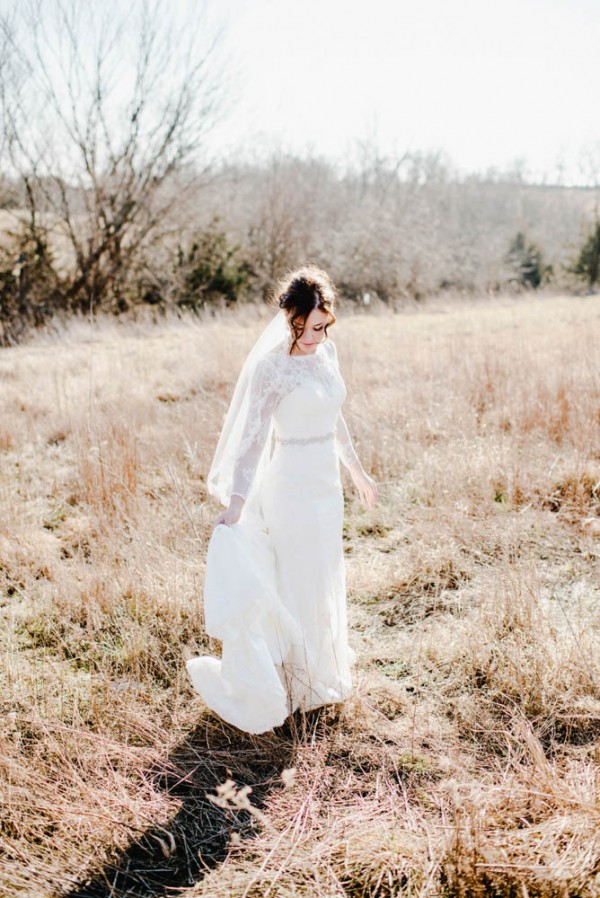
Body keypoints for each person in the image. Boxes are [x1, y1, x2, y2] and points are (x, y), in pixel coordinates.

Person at [186, 266, 377, 734]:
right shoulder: (271, 369)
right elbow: (251, 442)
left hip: (326, 489)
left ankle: (323, 671)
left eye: (326, 326)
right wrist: (236, 503)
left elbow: (335, 417)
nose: (320, 336)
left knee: (324, 573)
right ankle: (293, 680)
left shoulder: (326, 354)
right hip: (290, 487)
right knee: (296, 575)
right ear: (291, 317)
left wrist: (356, 471)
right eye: (312, 326)